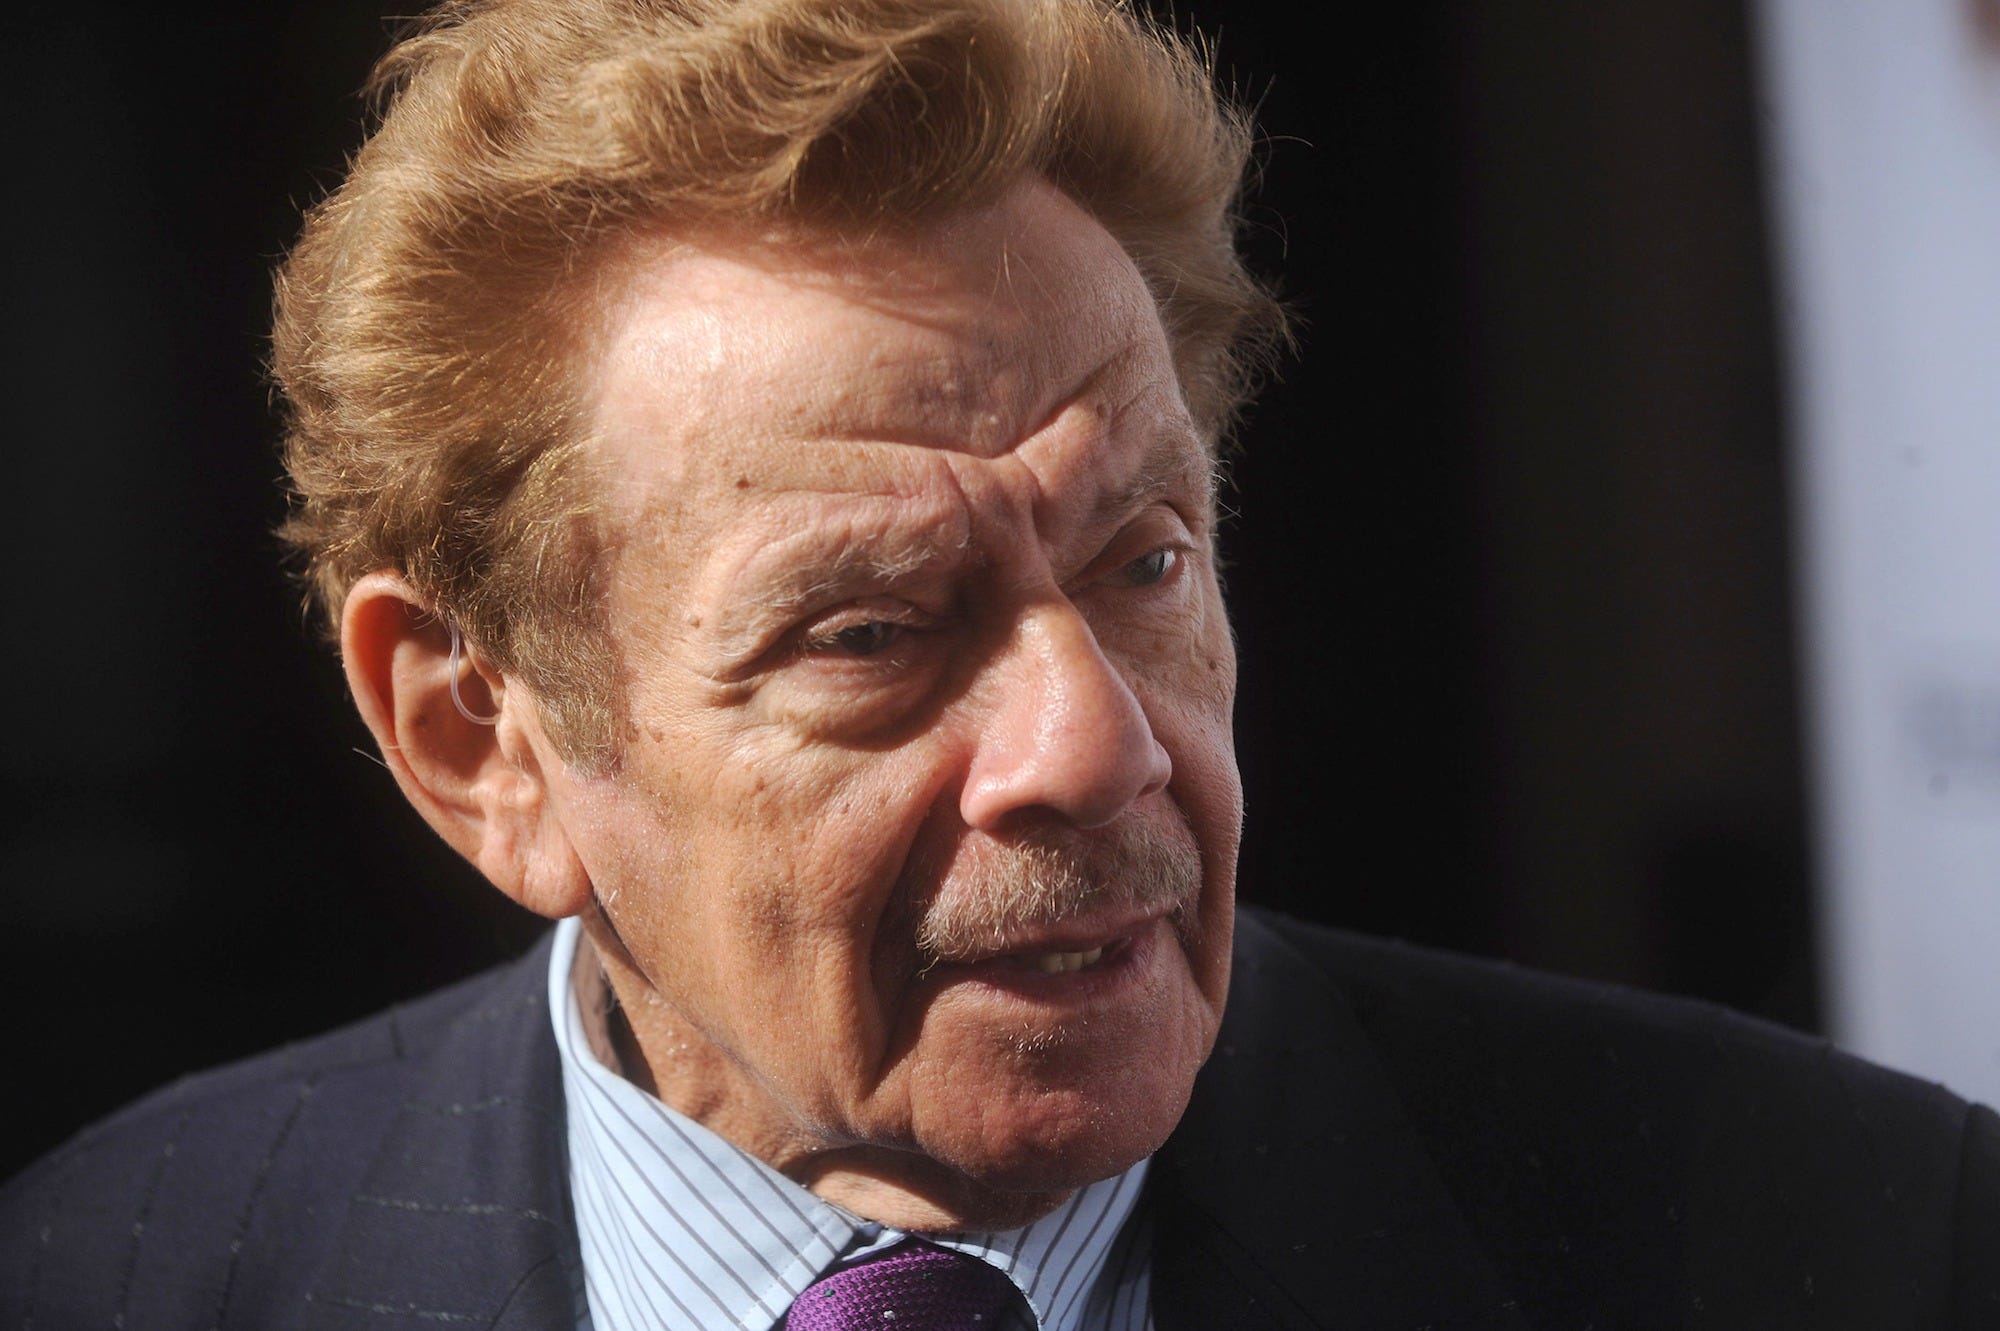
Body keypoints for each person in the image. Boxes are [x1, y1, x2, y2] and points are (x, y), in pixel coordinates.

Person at [3, 0, 1994, 1326]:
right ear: (478, 737)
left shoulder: (1847, 1250)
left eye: (1143, 562)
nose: (1092, 746)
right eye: (872, 631)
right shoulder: (115, 1275)